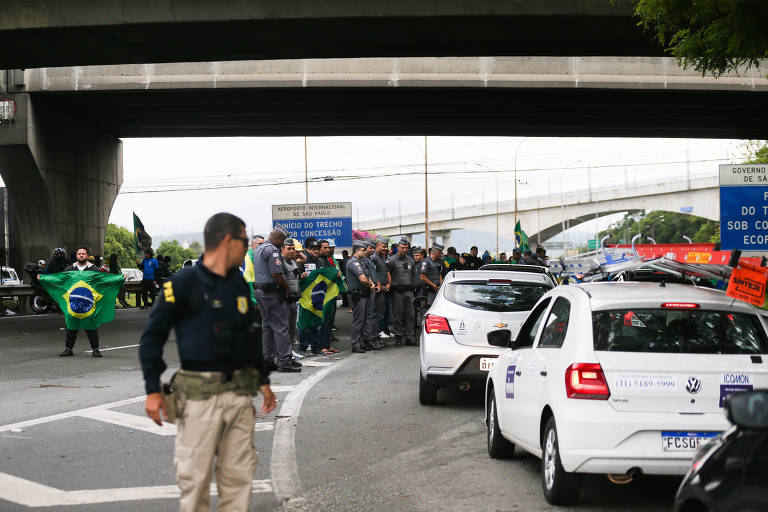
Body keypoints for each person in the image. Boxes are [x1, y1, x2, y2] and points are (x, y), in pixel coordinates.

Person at [138, 212, 277, 512]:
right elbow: (151, 339)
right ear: (228, 240)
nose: (247, 249)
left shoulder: (238, 285)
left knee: (239, 478)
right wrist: (152, 390)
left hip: (239, 397)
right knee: (195, 479)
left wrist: (262, 381)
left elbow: (250, 337)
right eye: (244, 241)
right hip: (199, 399)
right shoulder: (183, 283)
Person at [253, 227, 301, 372]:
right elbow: (277, 275)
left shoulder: (259, 249)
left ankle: (268, 359)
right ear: (279, 239)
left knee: (267, 326)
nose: (282, 244)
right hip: (271, 292)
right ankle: (284, 360)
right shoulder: (272, 250)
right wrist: (286, 288)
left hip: (260, 291)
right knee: (281, 326)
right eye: (283, 241)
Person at [59, 247, 102, 357]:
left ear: (87, 255)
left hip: (88, 302)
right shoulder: (69, 269)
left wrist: (120, 278)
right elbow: (60, 280)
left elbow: (103, 281)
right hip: (73, 302)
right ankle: (68, 349)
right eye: (79, 253)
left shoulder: (94, 270)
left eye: (83, 253)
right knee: (71, 325)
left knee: (91, 326)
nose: (81, 255)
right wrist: (43, 278)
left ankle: (95, 349)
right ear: (76, 255)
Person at [346, 241, 375, 353]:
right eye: (363, 250)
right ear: (357, 251)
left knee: (363, 320)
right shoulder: (354, 263)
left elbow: (367, 275)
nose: (365, 252)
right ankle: (355, 343)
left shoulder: (361, 261)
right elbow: (362, 279)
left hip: (364, 294)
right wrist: (370, 285)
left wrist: (371, 283)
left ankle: (362, 342)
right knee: (358, 320)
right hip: (358, 294)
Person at [387, 237, 415, 346]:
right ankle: (398, 336)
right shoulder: (392, 260)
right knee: (398, 315)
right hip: (397, 291)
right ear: (398, 247)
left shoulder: (410, 260)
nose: (404, 250)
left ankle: (409, 336)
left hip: (409, 291)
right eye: (402, 247)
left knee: (410, 315)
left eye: (406, 248)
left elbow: (412, 274)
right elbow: (387, 273)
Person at [281, 239, 302, 354]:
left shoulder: (293, 262)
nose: (291, 251)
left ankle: (291, 352)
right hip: (285, 299)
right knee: (285, 328)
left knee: (292, 328)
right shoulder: (280, 262)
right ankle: (285, 353)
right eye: (289, 248)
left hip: (294, 298)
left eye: (293, 248)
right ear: (282, 249)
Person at [361, 240, 382, 350]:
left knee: (374, 315)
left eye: (372, 248)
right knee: (369, 315)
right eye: (369, 248)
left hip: (374, 288)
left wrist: (377, 282)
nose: (372, 250)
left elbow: (373, 273)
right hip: (369, 290)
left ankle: (373, 337)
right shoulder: (363, 260)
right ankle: (368, 339)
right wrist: (372, 284)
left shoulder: (369, 259)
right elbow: (364, 275)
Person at [370, 239, 391, 346]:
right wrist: (379, 284)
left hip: (383, 290)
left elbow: (386, 272)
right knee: (374, 315)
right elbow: (372, 273)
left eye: (386, 246)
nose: (386, 248)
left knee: (379, 315)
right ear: (377, 246)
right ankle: (373, 338)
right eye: (383, 246)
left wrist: (388, 284)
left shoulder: (383, 257)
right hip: (377, 291)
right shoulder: (373, 258)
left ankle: (376, 337)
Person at [420, 243, 444, 309]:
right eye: (440, 252)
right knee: (428, 309)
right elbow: (422, 277)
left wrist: (441, 285)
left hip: (437, 290)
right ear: (437, 252)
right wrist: (434, 285)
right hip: (428, 290)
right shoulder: (426, 261)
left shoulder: (438, 262)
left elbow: (439, 274)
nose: (441, 254)